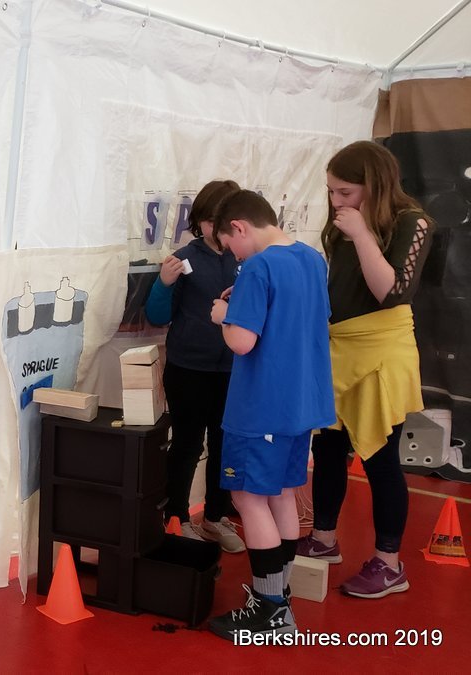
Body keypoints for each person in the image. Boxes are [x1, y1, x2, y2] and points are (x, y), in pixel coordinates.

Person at [296, 141, 433, 599]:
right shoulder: (342, 222)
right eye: (331, 191)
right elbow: (336, 286)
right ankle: (324, 537)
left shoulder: (412, 221)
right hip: (340, 346)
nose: (336, 201)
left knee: (380, 458)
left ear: (373, 186)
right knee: (329, 447)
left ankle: (389, 563)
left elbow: (390, 293)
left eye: (346, 192)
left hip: (381, 349)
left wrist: (361, 235)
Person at [204, 190, 335, 640]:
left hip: (261, 405)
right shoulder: (312, 259)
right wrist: (243, 301)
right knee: (280, 494)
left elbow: (242, 341)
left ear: (239, 227)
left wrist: (225, 315)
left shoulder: (258, 267)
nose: (234, 256)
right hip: (302, 403)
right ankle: (279, 595)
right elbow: (298, 317)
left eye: (230, 245)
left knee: (247, 499)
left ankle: (269, 609)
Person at [145, 180, 245, 553]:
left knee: (225, 444)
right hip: (188, 369)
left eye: (221, 221)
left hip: (233, 369)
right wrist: (164, 283)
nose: (213, 229)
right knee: (187, 444)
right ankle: (177, 517)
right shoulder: (185, 258)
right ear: (199, 221)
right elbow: (158, 315)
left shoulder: (245, 258)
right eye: (207, 220)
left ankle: (216, 517)